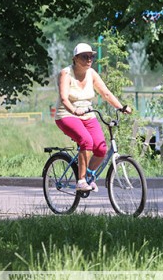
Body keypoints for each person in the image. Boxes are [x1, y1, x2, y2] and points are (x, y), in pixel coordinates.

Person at [54, 43, 132, 192]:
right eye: (85, 56)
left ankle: (89, 175)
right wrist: (74, 110)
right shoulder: (66, 73)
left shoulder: (91, 73)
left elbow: (106, 93)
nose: (89, 59)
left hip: (88, 115)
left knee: (101, 148)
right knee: (86, 141)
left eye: (92, 56)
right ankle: (81, 181)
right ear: (75, 58)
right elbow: (64, 98)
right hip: (67, 114)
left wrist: (121, 107)